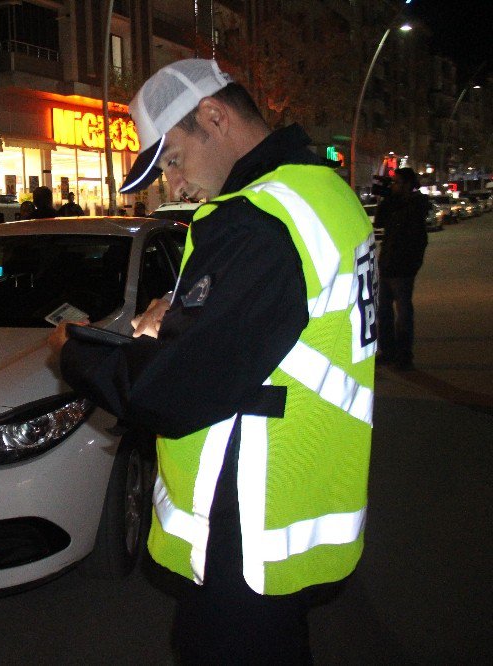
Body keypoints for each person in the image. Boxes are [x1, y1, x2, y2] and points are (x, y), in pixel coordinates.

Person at [48, 59, 377, 662]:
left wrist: (73, 351)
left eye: (171, 160)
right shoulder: (322, 192)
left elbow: (174, 393)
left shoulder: (255, 219)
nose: (173, 186)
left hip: (246, 523)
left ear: (214, 116)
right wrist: (179, 314)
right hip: (297, 501)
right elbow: (284, 320)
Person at [375, 167, 429, 371]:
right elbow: (380, 222)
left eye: (397, 182)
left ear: (407, 184)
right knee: (384, 312)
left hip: (403, 269)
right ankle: (387, 352)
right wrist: (387, 198)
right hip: (387, 265)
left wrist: (412, 265)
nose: (394, 186)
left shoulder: (416, 205)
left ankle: (404, 355)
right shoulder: (394, 204)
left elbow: (418, 239)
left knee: (404, 312)